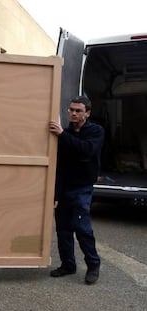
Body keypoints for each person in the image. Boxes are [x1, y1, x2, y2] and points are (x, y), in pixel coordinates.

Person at [48, 95, 104, 285]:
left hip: (82, 189)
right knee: (63, 230)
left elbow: (86, 151)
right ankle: (68, 266)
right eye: (71, 109)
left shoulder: (95, 131)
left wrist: (63, 135)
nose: (73, 113)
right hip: (64, 190)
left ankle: (93, 265)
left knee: (82, 229)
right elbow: (60, 167)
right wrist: (55, 194)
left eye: (78, 110)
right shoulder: (64, 133)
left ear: (87, 113)